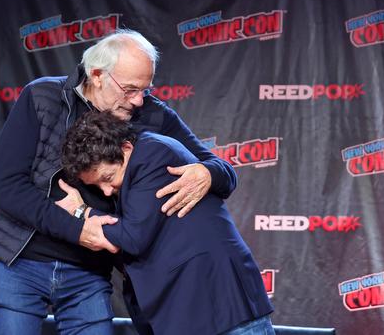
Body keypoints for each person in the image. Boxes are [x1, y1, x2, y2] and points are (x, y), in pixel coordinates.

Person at [0, 29, 238, 334]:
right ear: (97, 75)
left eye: (145, 89)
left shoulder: (152, 114)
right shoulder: (43, 97)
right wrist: (78, 228)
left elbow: (223, 170)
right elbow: (7, 187)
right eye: (130, 89)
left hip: (90, 271)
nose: (138, 100)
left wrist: (208, 173)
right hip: (22, 261)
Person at [60, 111, 275, 335]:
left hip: (221, 303)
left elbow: (133, 237)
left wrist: (82, 210)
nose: (106, 191)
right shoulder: (140, 160)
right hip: (192, 308)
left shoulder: (151, 154)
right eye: (97, 186)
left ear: (126, 148)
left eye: (107, 178)